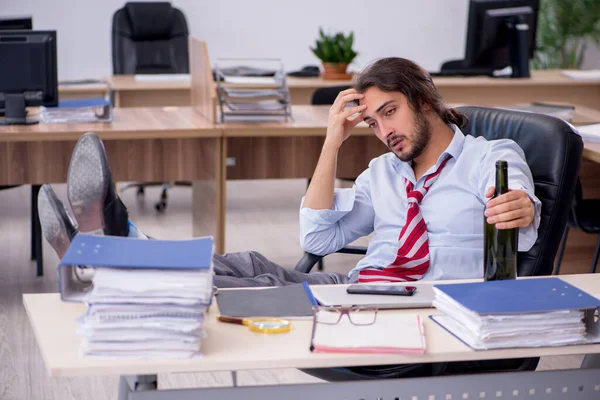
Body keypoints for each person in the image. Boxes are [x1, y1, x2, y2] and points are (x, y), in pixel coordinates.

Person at [38, 56, 539, 289]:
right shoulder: (382, 173)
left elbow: (518, 207)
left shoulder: (489, 157)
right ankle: (114, 244)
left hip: (426, 303)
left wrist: (520, 207)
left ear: (425, 100)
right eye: (373, 120)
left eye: (390, 112)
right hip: (361, 293)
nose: (384, 130)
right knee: (252, 263)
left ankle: (112, 251)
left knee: (257, 288)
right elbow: (317, 239)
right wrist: (332, 142)